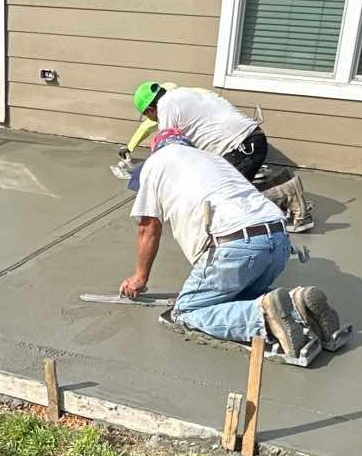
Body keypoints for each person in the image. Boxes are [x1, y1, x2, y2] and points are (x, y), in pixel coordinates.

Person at [121, 127, 347, 364]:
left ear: (157, 148)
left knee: (185, 312)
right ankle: (299, 305)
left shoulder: (156, 162)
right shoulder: (213, 159)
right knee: (238, 296)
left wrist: (140, 277)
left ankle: (262, 318)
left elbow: (148, 227)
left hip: (235, 246)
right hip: (279, 239)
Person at [123, 80, 312, 231]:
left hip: (241, 147)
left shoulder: (166, 106)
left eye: (148, 116)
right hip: (252, 139)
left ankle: (287, 194)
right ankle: (284, 183)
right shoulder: (184, 94)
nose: (152, 120)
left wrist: (151, 181)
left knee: (225, 198)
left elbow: (168, 152)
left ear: (150, 109)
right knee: (225, 187)